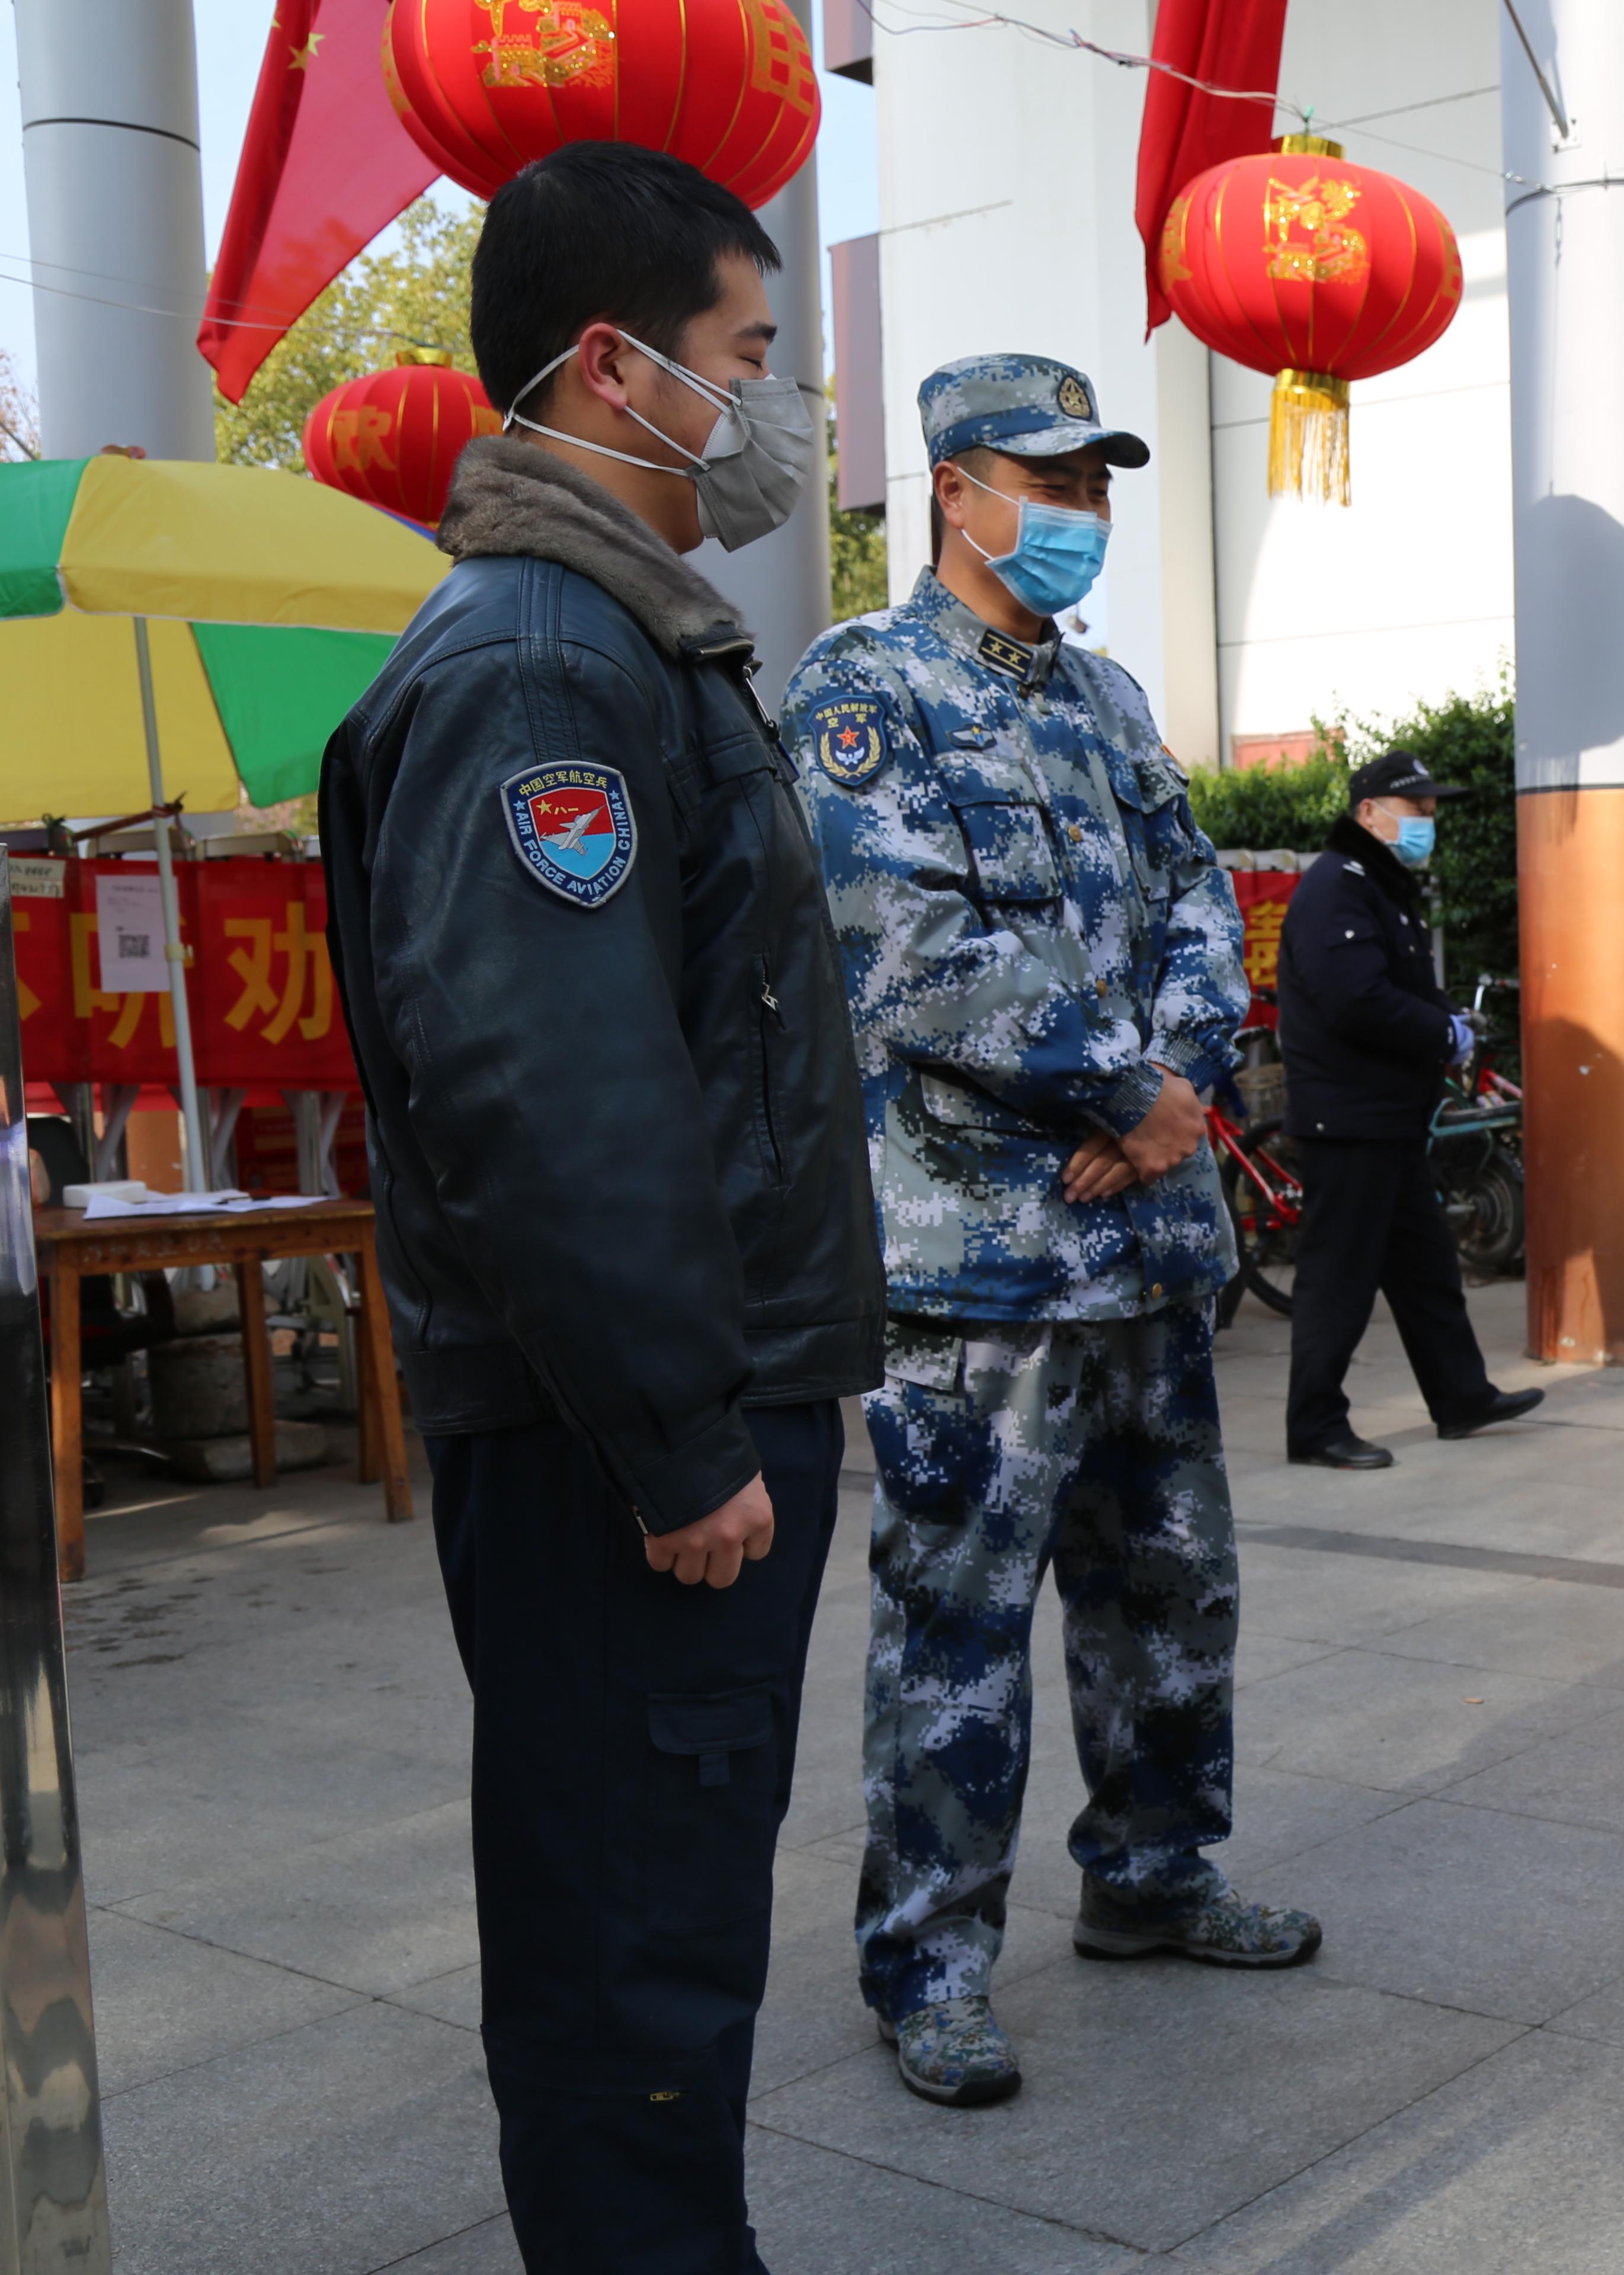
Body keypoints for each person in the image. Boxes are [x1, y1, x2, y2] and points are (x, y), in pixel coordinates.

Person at [321, 142, 880, 2267]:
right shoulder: (542, 670)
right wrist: (677, 1432)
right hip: (627, 1451)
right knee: (632, 1952)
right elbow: (552, 1092)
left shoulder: (616, 640)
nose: (767, 412)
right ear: (610, 370)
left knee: (660, 1922)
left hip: (666, 1421)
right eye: (746, 356)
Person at [781, 353, 1320, 2115]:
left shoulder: (1105, 700)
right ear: (955, 486)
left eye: (1099, 487)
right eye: (1051, 481)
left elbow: (1196, 905)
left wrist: (1166, 1087)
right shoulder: (865, 688)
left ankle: (1154, 1874)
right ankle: (929, 1965)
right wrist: (1118, 1097)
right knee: (957, 1622)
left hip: (1143, 1247)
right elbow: (902, 940)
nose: (1079, 515)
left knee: (1172, 1589)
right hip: (974, 1261)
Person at [1276, 749, 1545, 1467]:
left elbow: (1399, 983)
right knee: (1339, 1278)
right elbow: (1355, 998)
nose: (1429, 821)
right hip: (1350, 1120)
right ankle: (1315, 1426)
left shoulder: (1380, 887)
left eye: (1431, 810)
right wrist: (1440, 1034)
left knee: (1427, 1270)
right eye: (1416, 809)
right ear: (1369, 813)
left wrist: (1448, 1020)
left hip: (1387, 1118)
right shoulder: (1338, 886)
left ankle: (1461, 1397)